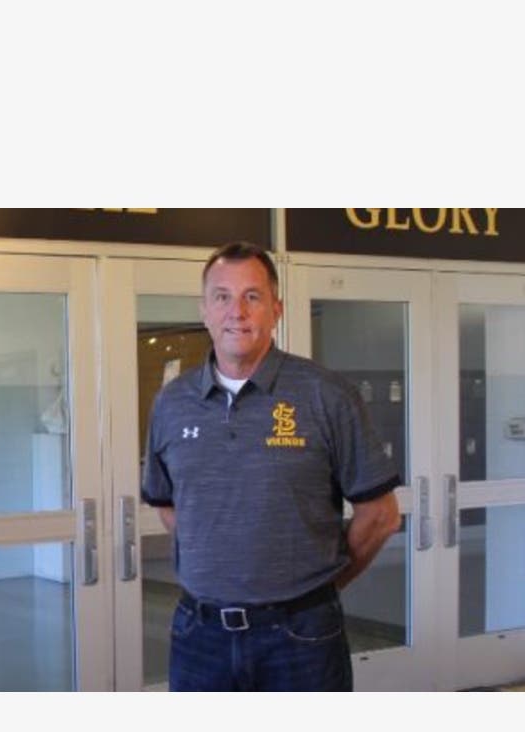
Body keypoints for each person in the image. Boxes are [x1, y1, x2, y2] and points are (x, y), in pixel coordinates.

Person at [141, 241, 401, 691]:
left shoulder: (326, 395)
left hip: (302, 638)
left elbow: (381, 515)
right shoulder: (171, 403)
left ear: (276, 309)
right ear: (204, 310)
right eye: (222, 296)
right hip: (200, 635)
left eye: (252, 296)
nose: (237, 312)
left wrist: (321, 587)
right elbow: (168, 505)